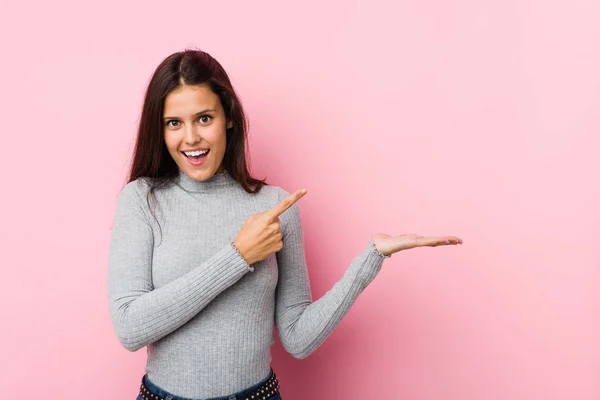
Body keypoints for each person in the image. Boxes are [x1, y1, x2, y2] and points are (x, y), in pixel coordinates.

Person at [107, 49, 463, 400]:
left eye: (204, 118)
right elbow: (130, 328)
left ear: (228, 117)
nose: (191, 138)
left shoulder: (275, 207)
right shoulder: (142, 200)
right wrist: (237, 256)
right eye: (174, 123)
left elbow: (298, 338)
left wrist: (372, 257)